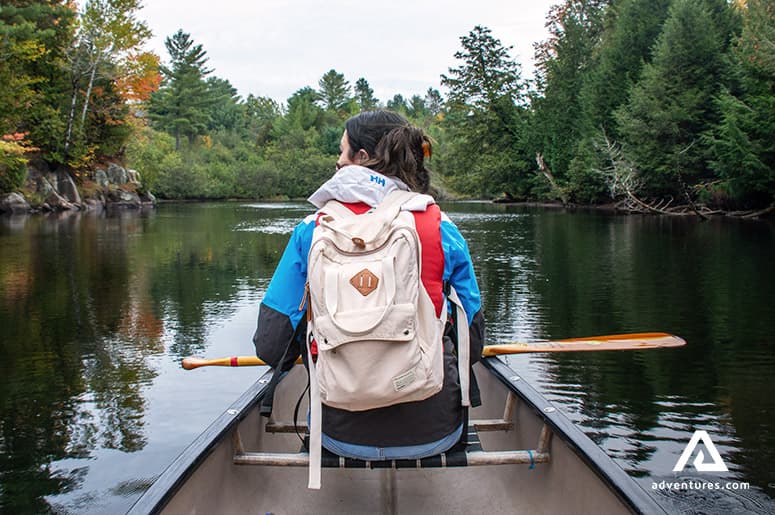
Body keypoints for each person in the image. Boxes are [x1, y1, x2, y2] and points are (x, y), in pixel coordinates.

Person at [253, 109, 484, 461]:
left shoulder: (312, 229)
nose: (337, 159)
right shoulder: (440, 226)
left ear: (361, 159)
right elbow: (475, 342)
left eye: (342, 151)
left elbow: (272, 345)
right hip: (435, 432)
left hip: (336, 433)